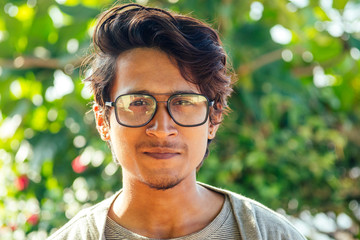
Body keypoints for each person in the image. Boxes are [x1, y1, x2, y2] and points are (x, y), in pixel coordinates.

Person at [48, 3, 306, 240]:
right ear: (103, 120)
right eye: (137, 102)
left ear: (214, 118)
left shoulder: (270, 234)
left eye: (184, 102)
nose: (161, 130)